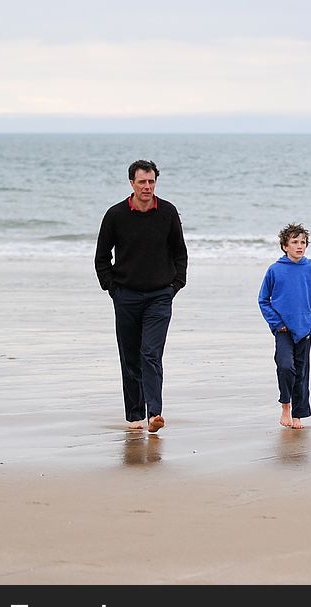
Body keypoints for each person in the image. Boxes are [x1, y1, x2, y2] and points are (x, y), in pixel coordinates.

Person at [94, 160, 188, 435]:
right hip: (126, 295)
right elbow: (102, 257)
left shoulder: (168, 212)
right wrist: (112, 288)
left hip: (160, 295)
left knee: (151, 354)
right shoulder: (115, 215)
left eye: (151, 182)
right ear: (131, 183)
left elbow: (179, 252)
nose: (147, 187)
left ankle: (155, 413)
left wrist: (176, 284)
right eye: (142, 182)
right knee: (130, 356)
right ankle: (135, 415)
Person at [258, 223, 311, 429]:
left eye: (303, 242)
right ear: (285, 246)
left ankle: (298, 414)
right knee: (286, 367)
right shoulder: (275, 270)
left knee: (302, 372)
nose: (299, 246)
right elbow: (263, 300)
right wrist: (277, 323)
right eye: (294, 242)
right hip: (283, 330)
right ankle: (285, 405)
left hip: (305, 329)